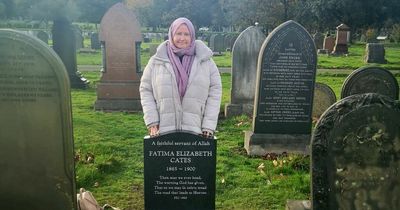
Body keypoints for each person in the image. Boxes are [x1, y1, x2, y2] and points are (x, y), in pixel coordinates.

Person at [140, 17, 222, 138]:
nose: (182, 38)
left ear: (192, 36)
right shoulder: (156, 61)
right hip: (163, 131)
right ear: (172, 34)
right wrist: (152, 121)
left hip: (196, 131)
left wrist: (208, 125)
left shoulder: (206, 61)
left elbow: (215, 92)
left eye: (186, 34)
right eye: (178, 33)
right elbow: (145, 89)